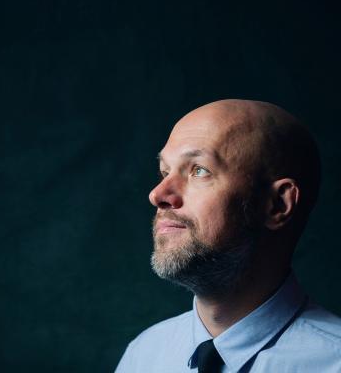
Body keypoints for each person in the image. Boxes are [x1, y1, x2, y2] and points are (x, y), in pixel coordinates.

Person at [115, 99, 341, 372]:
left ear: (277, 205)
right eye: (165, 172)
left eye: (199, 170)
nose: (157, 194)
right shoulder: (143, 356)